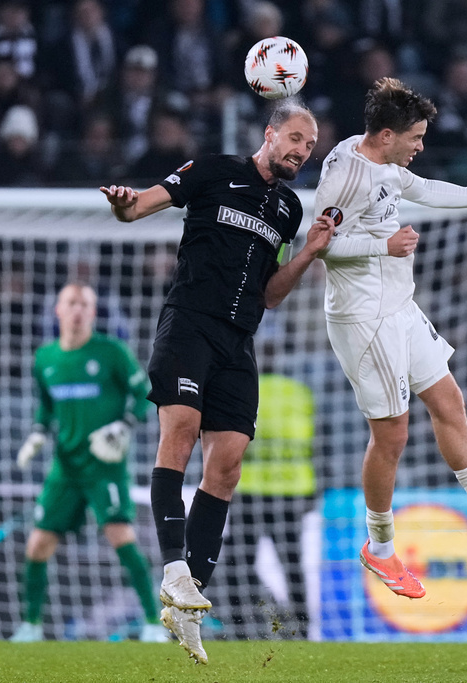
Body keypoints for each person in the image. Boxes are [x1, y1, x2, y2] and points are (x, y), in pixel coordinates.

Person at [100, 101, 332, 664]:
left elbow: (271, 294)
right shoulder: (211, 171)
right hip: (190, 326)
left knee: (226, 468)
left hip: (238, 343)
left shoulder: (287, 208)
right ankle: (175, 569)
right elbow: (140, 208)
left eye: (311, 144)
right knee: (179, 435)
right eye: (296, 138)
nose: (303, 150)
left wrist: (308, 255)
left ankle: (188, 605)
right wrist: (128, 204)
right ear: (270, 134)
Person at [312, 77, 467, 601]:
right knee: (392, 434)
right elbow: (318, 245)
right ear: (388, 134)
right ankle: (379, 546)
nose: (421, 146)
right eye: (416, 137)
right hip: (363, 318)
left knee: (448, 400)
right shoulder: (345, 175)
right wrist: (383, 247)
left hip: (400, 306)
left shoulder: (385, 163)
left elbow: (423, 190)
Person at [9, 283, 164, 644]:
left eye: (85, 304)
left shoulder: (110, 352)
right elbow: (47, 405)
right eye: (71, 303)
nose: (78, 309)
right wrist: (37, 432)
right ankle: (30, 626)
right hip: (65, 466)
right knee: (37, 545)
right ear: (58, 310)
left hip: (103, 465)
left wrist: (124, 425)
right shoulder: (45, 358)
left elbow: (144, 393)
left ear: (93, 313)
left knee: (120, 536)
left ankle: (154, 623)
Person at [222, 339, 316, 639]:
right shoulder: (299, 392)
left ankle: (240, 626)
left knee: (238, 563)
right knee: (291, 564)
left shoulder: (242, 389)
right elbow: (317, 442)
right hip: (291, 492)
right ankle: (301, 629)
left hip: (249, 490)